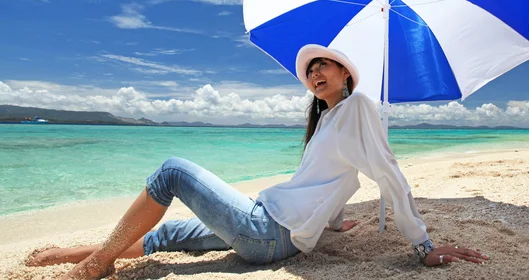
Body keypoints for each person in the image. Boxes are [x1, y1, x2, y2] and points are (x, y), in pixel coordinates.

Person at [29, 44, 487, 279]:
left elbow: (388, 174)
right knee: (170, 234)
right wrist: (331, 222)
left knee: (171, 170)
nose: (315, 73)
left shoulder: (359, 107)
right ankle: (85, 254)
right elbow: (331, 180)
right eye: (310, 70)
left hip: (266, 232)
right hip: (272, 233)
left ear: (346, 73)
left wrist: (423, 245)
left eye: (324, 65)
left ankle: (93, 268)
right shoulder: (327, 124)